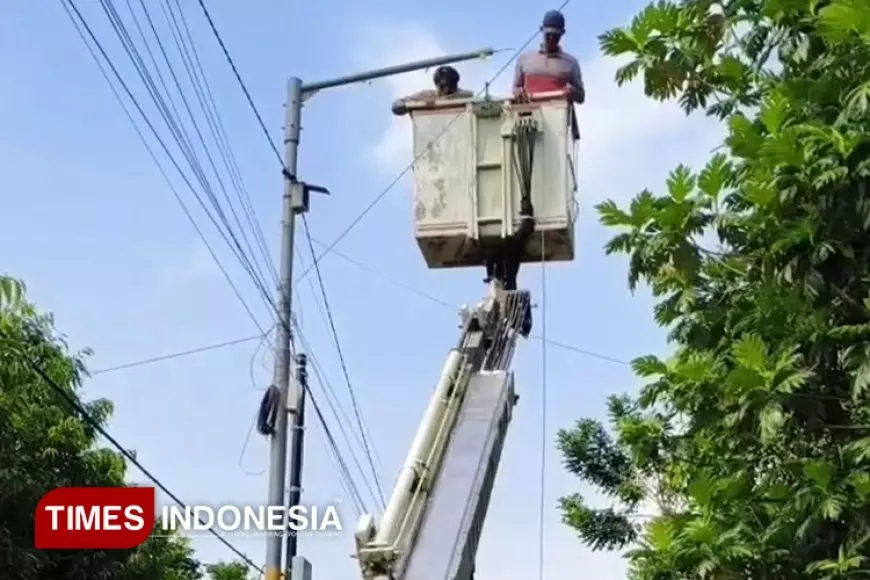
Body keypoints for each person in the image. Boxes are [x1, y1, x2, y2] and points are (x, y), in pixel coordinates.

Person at [513, 10, 585, 103]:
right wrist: (518, 92)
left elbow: (581, 97)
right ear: (541, 30)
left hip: (558, 110)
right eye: (548, 35)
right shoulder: (524, 59)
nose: (551, 39)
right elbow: (516, 89)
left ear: (562, 33)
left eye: (555, 36)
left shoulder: (571, 63)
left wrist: (573, 92)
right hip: (531, 110)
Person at [391, 65, 474, 115]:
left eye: (450, 86)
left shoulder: (467, 96)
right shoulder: (425, 96)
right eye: (443, 87)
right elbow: (397, 104)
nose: (446, 90)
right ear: (436, 85)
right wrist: (401, 106)